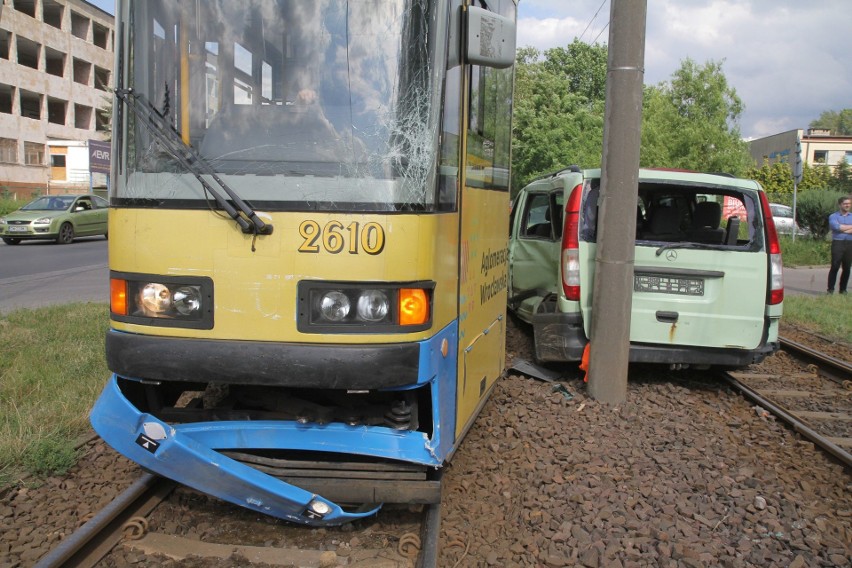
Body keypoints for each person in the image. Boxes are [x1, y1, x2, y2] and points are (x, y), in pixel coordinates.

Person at [827, 195, 852, 294]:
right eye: (845, 204)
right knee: (835, 266)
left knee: (847, 267)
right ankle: (830, 289)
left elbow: (841, 228)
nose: (847, 205)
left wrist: (843, 228)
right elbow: (836, 227)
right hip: (838, 243)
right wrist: (847, 228)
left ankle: (843, 289)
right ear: (840, 205)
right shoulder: (833, 216)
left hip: (850, 243)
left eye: (849, 204)